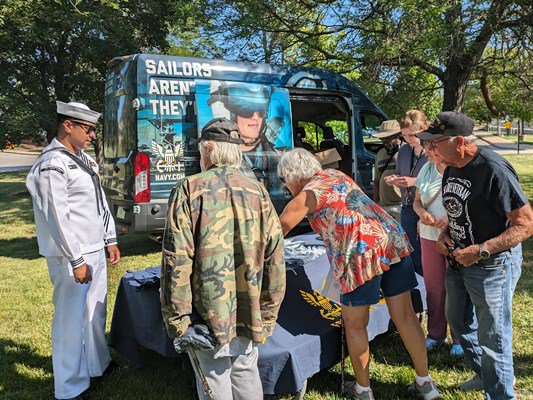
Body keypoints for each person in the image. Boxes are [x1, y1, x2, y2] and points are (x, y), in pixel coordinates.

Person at [277, 148, 442, 400]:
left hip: (360, 255)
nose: (285, 186)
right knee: (407, 317)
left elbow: (277, 232)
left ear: (293, 177)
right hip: (391, 242)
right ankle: (425, 383)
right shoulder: (334, 174)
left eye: (284, 181)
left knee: (355, 326)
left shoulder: (306, 194)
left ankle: (363, 391)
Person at [160, 118, 286, 400]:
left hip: (206, 316)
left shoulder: (189, 189)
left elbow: (176, 259)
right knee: (245, 370)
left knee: (214, 378)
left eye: (201, 150)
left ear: (208, 150)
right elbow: (276, 257)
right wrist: (267, 313)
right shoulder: (258, 192)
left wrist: (178, 320)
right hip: (248, 311)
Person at [417, 111, 533, 399]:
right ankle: (485, 374)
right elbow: (456, 213)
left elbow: (526, 223)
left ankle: (501, 394)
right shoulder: (450, 166)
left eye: (434, 143)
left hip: (492, 265)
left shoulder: (493, 169)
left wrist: (481, 250)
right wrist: (446, 236)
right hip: (459, 259)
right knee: (456, 320)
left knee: (493, 338)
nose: (428, 149)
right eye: (427, 144)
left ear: (458, 141)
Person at [26, 101, 121, 400]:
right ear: (69, 126)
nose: (93, 135)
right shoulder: (51, 163)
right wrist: (76, 259)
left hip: (94, 249)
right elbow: (57, 215)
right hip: (71, 255)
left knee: (95, 310)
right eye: (88, 129)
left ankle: (97, 365)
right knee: (69, 320)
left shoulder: (84, 159)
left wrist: (110, 239)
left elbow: (99, 203)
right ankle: (69, 387)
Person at [412, 144, 463, 356]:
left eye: (431, 149)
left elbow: (470, 205)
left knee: (458, 289)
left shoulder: (460, 169)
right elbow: (416, 202)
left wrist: (450, 219)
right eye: (426, 149)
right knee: (434, 288)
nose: (427, 152)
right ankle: (435, 334)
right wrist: (422, 213)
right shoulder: (425, 169)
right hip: (428, 237)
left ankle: (459, 338)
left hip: (456, 239)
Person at [386, 110, 429, 277]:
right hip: (407, 207)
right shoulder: (404, 151)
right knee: (411, 251)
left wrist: (414, 181)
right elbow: (399, 172)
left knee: (427, 253)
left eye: (412, 135)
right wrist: (394, 178)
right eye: (404, 136)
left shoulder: (433, 151)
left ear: (424, 129)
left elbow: (440, 180)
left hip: (428, 209)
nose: (408, 139)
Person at [372, 120, 403, 221]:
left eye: (389, 138)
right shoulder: (380, 154)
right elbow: (376, 181)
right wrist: (375, 203)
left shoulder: (406, 151)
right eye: (383, 139)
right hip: (383, 206)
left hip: (400, 205)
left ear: (398, 135)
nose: (385, 142)